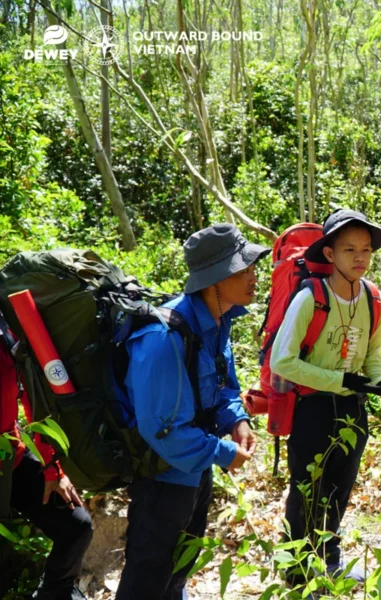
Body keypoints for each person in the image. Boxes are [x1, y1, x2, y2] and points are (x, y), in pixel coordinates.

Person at [115, 223, 267, 600]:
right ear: (215, 279)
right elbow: (164, 429)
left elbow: (224, 386)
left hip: (194, 472)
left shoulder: (219, 321)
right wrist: (223, 453)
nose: (254, 277)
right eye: (243, 269)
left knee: (180, 566)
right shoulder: (163, 337)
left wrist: (237, 419)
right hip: (161, 479)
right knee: (147, 577)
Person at [270, 209, 381, 582]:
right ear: (329, 254)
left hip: (352, 409)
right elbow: (283, 361)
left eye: (366, 249)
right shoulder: (310, 298)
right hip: (311, 406)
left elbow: (373, 356)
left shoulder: (374, 300)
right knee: (306, 490)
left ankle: (328, 560)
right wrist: (340, 380)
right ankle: (297, 571)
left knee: (339, 488)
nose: (360, 258)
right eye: (349, 250)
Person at [0, 321, 93, 600]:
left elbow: (33, 400)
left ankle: (56, 593)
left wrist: (52, 466)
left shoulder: (6, 329)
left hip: (11, 457)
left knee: (76, 526)